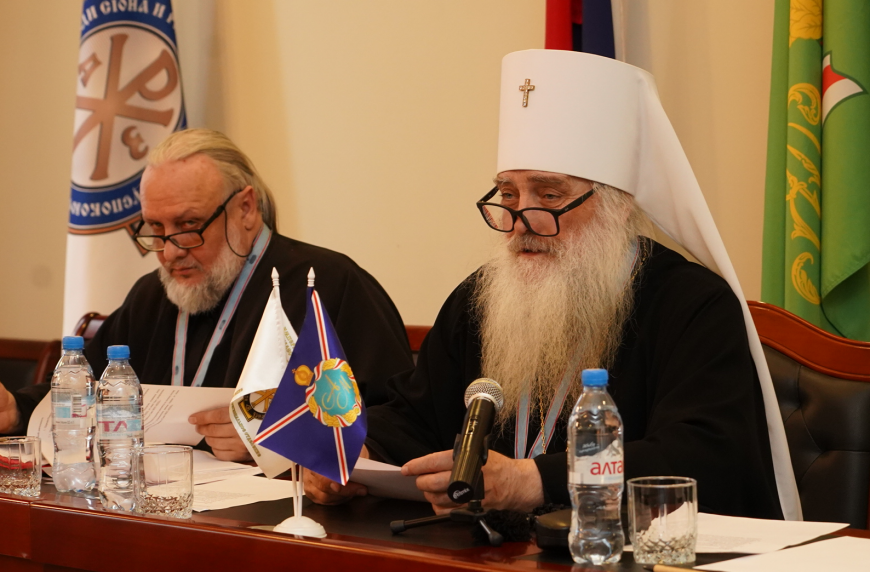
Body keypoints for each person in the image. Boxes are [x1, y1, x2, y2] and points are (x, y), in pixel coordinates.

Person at [305, 50, 801, 521]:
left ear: (617, 205)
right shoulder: (480, 299)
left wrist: (535, 481)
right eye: (508, 195)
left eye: (548, 196)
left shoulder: (693, 305)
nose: (521, 221)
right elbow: (414, 417)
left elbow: (703, 456)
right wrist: (354, 454)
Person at [0, 129, 414, 461]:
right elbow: (87, 388)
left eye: (188, 225)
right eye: (156, 229)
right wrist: (17, 410)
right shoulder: (150, 296)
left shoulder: (326, 285)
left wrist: (276, 438)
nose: (170, 252)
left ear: (245, 209)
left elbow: (397, 421)